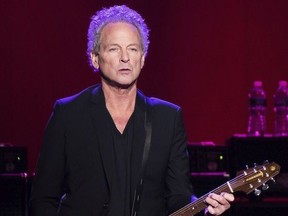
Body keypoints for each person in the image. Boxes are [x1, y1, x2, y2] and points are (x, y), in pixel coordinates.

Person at [30, 5, 234, 216]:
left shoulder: (168, 118)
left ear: (142, 58)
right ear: (95, 58)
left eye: (133, 49)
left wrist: (205, 211)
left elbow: (179, 197)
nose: (125, 58)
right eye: (114, 49)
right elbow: (43, 198)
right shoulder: (68, 114)